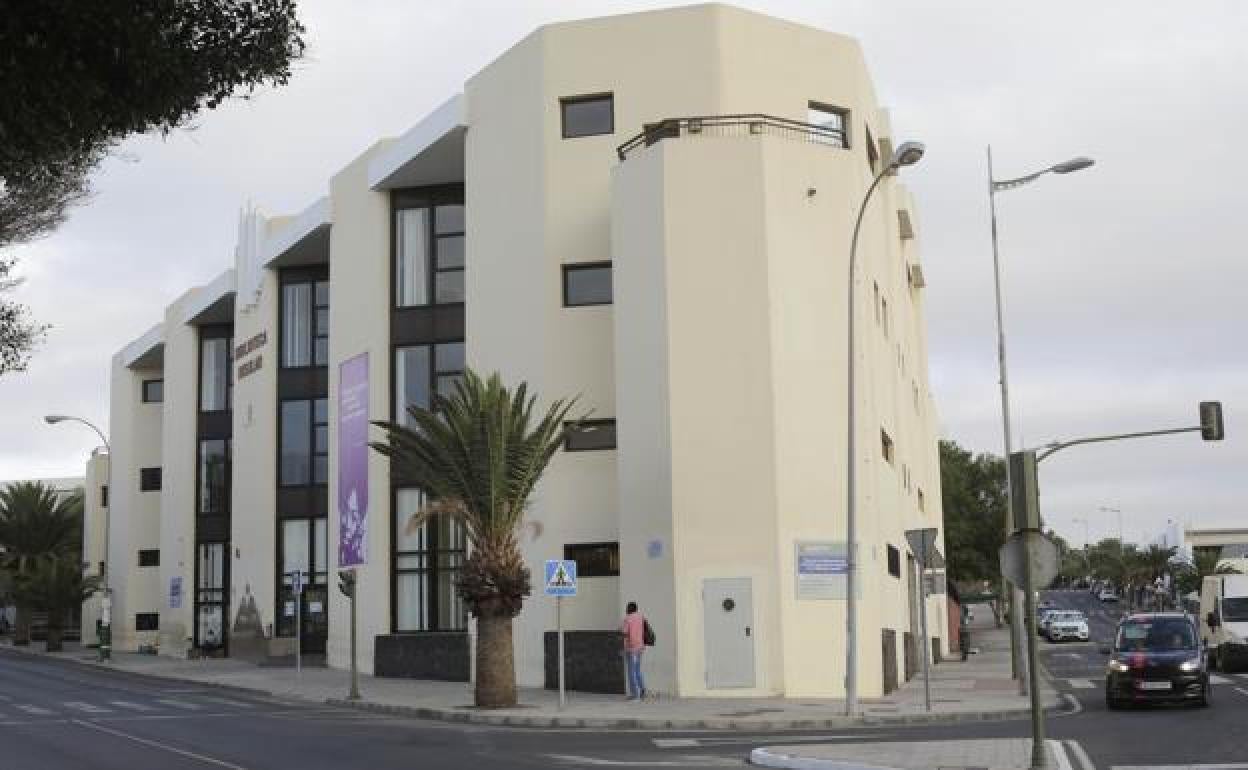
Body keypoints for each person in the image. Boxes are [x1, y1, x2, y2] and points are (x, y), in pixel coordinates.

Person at [620, 601, 646, 700]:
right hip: (640, 647)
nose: (626, 609)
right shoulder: (640, 617)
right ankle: (642, 689)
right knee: (637, 670)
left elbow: (625, 632)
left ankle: (635, 694)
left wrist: (621, 630)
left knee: (631, 672)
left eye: (627, 608)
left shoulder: (628, 619)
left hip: (631, 648)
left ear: (630, 609)